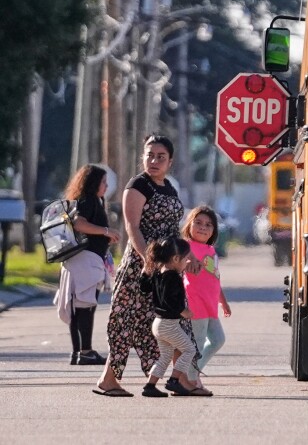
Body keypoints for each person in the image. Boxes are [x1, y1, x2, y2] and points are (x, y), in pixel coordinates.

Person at [94, 134, 195, 397]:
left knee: (171, 322)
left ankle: (182, 378)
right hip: (141, 268)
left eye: (160, 157)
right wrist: (148, 262)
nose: (154, 161)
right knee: (126, 323)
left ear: (170, 161)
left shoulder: (169, 188)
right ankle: (109, 379)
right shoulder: (138, 185)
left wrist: (187, 255)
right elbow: (133, 227)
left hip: (167, 268)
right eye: (149, 155)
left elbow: (173, 229)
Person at [54, 164, 121, 365]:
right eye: (103, 182)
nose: (106, 186)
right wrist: (105, 231)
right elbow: (79, 224)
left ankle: (78, 353)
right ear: (93, 183)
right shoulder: (89, 200)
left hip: (78, 260)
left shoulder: (83, 200)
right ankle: (86, 351)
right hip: (86, 261)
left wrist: (103, 235)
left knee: (78, 308)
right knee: (85, 307)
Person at [138, 237, 212, 397]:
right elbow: (169, 299)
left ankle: (149, 386)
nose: (187, 263)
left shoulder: (158, 273)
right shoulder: (173, 277)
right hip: (168, 324)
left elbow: (144, 288)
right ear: (176, 259)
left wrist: (144, 272)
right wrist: (182, 310)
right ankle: (174, 380)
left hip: (158, 323)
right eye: (186, 259)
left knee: (165, 357)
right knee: (189, 349)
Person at [180, 205, 231, 389]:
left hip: (210, 306)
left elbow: (215, 279)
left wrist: (223, 302)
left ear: (214, 230)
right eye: (198, 222)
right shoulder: (186, 247)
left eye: (208, 224)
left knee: (218, 340)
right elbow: (179, 266)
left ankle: (191, 373)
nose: (203, 227)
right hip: (195, 306)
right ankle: (190, 381)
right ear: (189, 225)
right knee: (197, 345)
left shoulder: (210, 250)